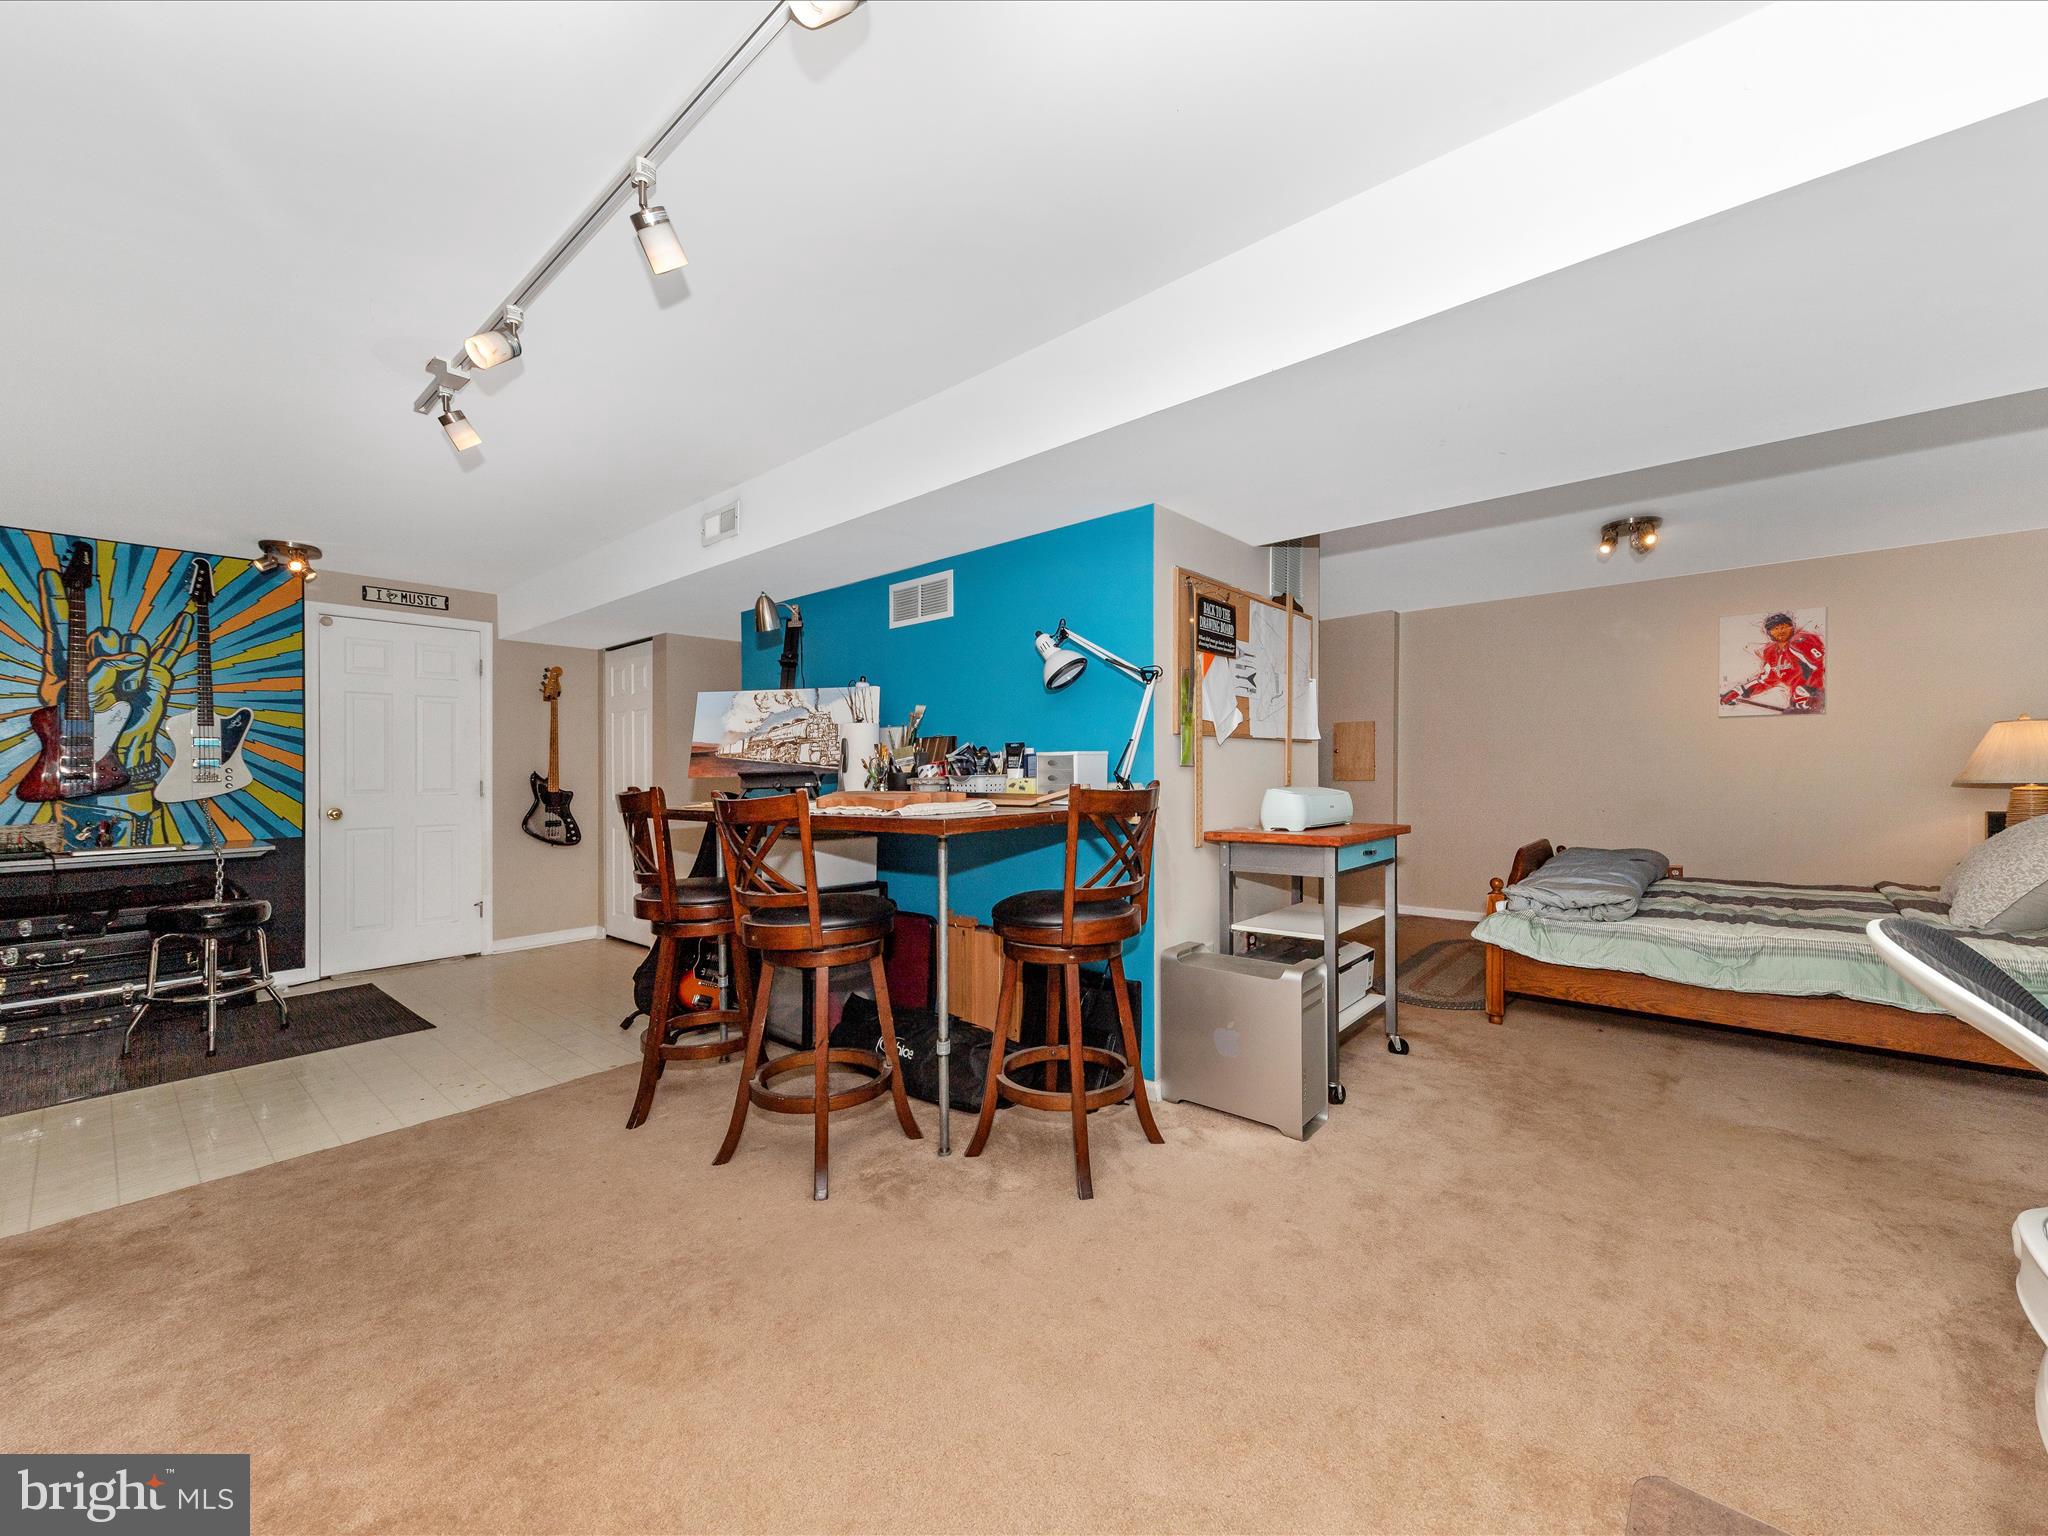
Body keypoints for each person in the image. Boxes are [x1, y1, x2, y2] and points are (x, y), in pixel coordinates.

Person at [1722, 611, 1825, 712]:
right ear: (1769, 632)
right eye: (1775, 629)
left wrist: (1810, 692)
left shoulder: (1799, 642)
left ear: (1791, 628)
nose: (1780, 631)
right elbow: (1766, 680)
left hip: (1817, 698)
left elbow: (1822, 666)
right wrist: (1738, 691)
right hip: (1798, 702)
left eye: (1783, 627)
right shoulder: (1771, 653)